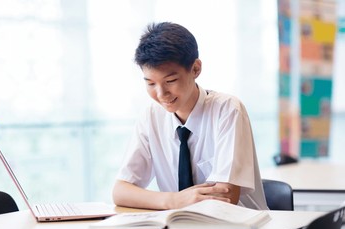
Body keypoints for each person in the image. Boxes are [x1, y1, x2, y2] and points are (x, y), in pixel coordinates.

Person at [113, 22, 268, 210]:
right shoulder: (151, 117)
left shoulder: (227, 109)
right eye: (151, 83)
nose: (161, 94)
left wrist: (165, 201)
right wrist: (173, 201)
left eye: (170, 81)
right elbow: (121, 191)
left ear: (195, 69)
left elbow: (225, 197)